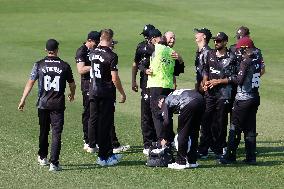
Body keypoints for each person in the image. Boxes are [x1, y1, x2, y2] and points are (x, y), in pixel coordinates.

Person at [18, 39, 76, 171]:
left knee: (43, 131)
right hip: (58, 105)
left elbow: (30, 82)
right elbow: (72, 84)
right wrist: (72, 94)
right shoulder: (64, 65)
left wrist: (23, 99)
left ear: (46, 50)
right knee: (56, 133)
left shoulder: (39, 64)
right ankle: (54, 163)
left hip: (43, 104)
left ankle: (42, 157)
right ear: (57, 50)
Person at [219, 37, 261, 165]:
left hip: (243, 99)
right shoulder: (257, 59)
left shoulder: (246, 61)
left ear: (245, 48)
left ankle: (230, 157)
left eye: (240, 49)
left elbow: (239, 80)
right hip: (254, 97)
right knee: (250, 128)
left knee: (235, 127)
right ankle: (251, 157)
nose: (238, 52)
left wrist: (229, 78)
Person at [88, 29, 126, 166]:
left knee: (97, 122)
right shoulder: (111, 55)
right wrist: (122, 93)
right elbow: (114, 78)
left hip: (93, 92)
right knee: (105, 124)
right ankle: (104, 157)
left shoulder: (92, 53)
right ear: (110, 39)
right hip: (106, 94)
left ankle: (107, 153)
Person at [200, 32, 237, 158]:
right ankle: (203, 149)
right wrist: (205, 81)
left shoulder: (232, 57)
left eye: (219, 41)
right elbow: (205, 69)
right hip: (209, 94)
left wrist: (219, 81)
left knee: (220, 122)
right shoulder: (210, 54)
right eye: (215, 41)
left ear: (226, 42)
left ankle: (219, 148)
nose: (216, 43)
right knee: (205, 120)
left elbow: (235, 77)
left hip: (224, 95)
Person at [146, 29, 183, 147]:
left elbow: (143, 49)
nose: (172, 40)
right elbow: (178, 71)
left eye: (174, 38)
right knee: (167, 114)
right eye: (170, 38)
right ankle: (169, 139)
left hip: (157, 85)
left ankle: (162, 141)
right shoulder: (172, 52)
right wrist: (180, 59)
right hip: (168, 87)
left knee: (157, 114)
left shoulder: (156, 48)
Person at [158, 89, 205, 170]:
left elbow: (166, 122)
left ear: (160, 101)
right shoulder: (173, 95)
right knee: (194, 132)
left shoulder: (165, 102)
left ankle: (180, 161)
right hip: (200, 99)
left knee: (183, 132)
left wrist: (165, 138)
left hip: (188, 102)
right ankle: (192, 161)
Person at [132, 24, 157, 155]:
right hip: (145, 85)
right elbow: (136, 64)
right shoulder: (141, 47)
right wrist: (133, 80)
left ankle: (158, 141)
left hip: (159, 85)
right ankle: (148, 144)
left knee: (158, 114)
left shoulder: (161, 47)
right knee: (146, 115)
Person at [75, 31, 100, 152]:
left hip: (96, 85)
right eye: (96, 42)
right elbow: (80, 69)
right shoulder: (82, 51)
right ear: (89, 40)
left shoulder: (95, 50)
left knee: (96, 113)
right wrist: (95, 66)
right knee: (88, 113)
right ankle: (87, 140)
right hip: (87, 86)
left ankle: (95, 139)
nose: (97, 44)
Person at [193, 28, 212, 93]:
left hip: (204, 86)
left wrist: (203, 83)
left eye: (198, 33)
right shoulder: (199, 51)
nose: (196, 35)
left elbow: (208, 69)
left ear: (204, 36)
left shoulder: (207, 52)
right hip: (199, 83)